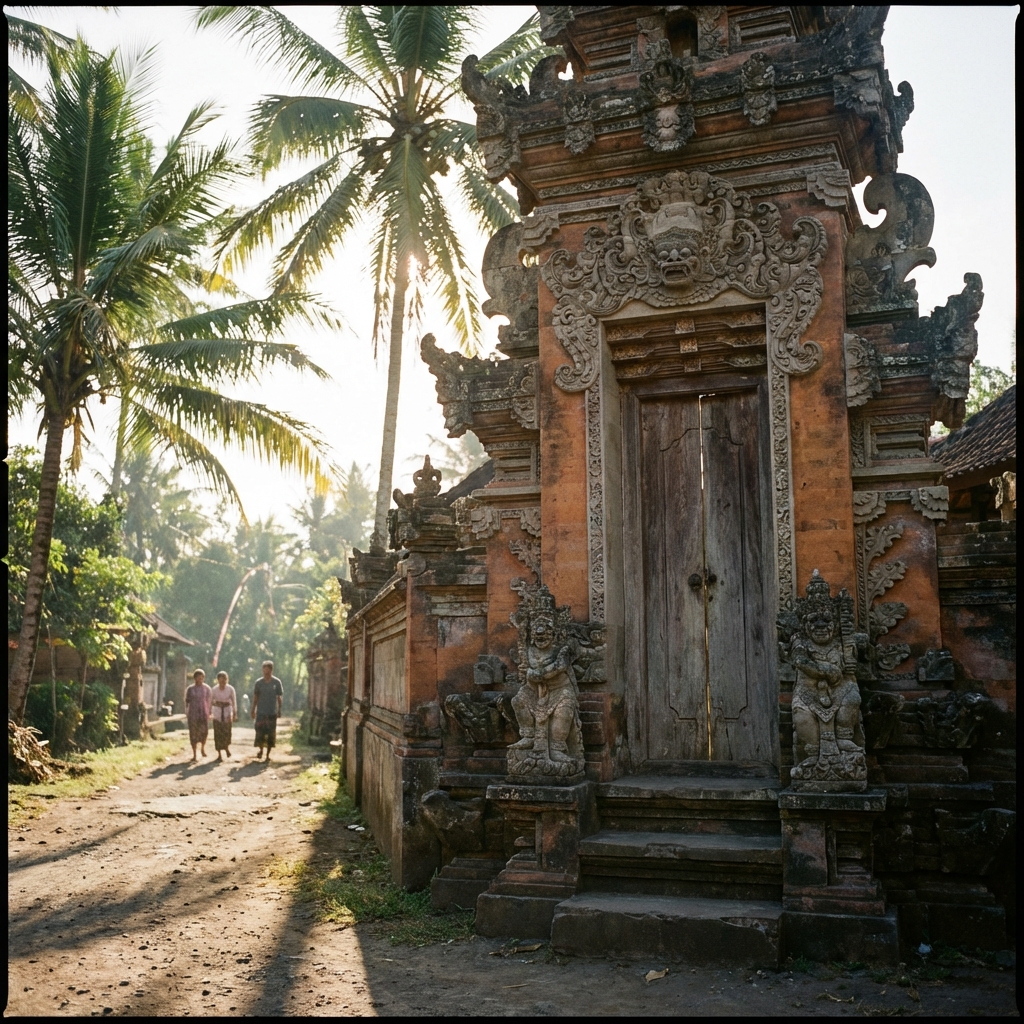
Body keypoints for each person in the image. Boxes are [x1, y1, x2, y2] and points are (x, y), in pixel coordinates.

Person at [251, 660, 283, 762]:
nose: (266, 673)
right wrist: (253, 710)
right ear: (262, 670)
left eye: (268, 671)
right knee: (260, 732)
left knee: (270, 734)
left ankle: (268, 754)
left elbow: (279, 697)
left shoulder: (276, 682)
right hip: (261, 712)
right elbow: (255, 697)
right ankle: (261, 750)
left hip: (271, 713)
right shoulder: (259, 683)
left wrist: (279, 710)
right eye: (264, 670)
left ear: (271, 670)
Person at [184, 669, 212, 762]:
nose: (199, 680)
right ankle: (194, 754)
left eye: (201, 678)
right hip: (193, 714)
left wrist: (209, 712)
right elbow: (187, 702)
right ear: (194, 678)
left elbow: (209, 701)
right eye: (197, 678)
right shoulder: (190, 689)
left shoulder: (207, 688)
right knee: (193, 734)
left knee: (204, 732)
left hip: (203, 713)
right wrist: (187, 712)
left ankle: (203, 748)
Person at [211, 671, 237, 761]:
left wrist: (234, 713)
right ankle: (219, 754)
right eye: (221, 681)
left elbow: (234, 702)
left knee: (226, 732)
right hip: (217, 712)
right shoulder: (214, 689)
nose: (223, 683)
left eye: (224, 681)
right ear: (218, 680)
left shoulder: (230, 689)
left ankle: (226, 748)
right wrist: (210, 712)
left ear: (227, 680)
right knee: (218, 733)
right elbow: (210, 701)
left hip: (227, 711)